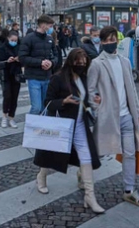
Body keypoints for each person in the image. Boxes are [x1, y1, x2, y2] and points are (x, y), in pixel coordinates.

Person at [33, 48, 104, 214]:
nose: (81, 65)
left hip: (80, 124)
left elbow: (87, 98)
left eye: (84, 63)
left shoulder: (85, 78)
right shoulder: (58, 78)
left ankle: (89, 196)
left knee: (86, 157)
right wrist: (63, 101)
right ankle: (41, 176)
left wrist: (94, 99)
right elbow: (48, 102)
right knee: (50, 155)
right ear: (71, 62)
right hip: (61, 124)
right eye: (78, 63)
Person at [87, 26, 139, 208]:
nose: (109, 43)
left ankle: (129, 191)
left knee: (129, 154)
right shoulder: (97, 64)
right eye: (105, 40)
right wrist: (98, 110)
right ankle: (84, 173)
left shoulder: (125, 62)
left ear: (117, 40)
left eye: (111, 39)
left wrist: (136, 113)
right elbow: (90, 92)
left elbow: (132, 90)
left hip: (126, 117)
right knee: (98, 153)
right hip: (107, 118)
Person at [18, 14, 58, 115]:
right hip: (34, 77)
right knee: (36, 107)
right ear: (43, 25)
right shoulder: (28, 39)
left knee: (45, 107)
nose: (51, 28)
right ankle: (30, 126)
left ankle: (41, 126)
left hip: (47, 77)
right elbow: (22, 58)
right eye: (50, 26)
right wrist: (40, 63)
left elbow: (56, 55)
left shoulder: (50, 39)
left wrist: (51, 63)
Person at [0, 31, 22, 128]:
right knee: (7, 96)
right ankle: (4, 116)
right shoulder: (1, 48)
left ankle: (11, 117)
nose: (14, 42)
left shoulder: (20, 48)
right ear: (8, 39)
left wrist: (20, 60)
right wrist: (7, 61)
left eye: (16, 40)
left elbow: (24, 60)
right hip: (5, 75)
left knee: (14, 98)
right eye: (12, 40)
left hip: (16, 75)